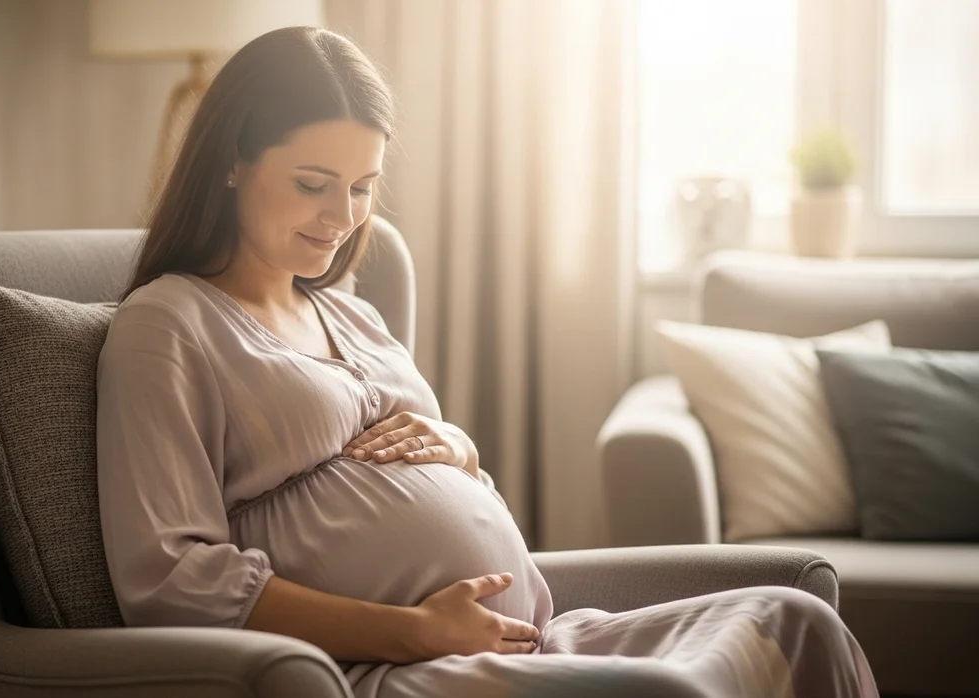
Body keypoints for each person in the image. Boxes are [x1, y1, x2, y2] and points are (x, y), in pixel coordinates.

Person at [96, 26, 878, 698]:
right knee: (670, 691)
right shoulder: (169, 325)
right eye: (313, 185)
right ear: (232, 160)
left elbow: (428, 480)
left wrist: (460, 451)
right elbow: (170, 580)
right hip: (386, 666)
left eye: (363, 188)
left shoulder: (353, 313)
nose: (342, 218)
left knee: (800, 619)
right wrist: (412, 631)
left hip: (531, 637)